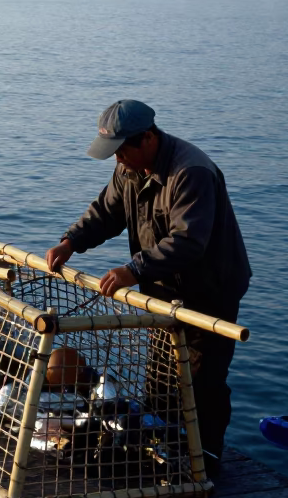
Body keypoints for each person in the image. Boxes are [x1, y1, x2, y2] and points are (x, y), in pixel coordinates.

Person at [44, 100, 251, 478]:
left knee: (202, 380)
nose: (118, 160)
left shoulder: (191, 172)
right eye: (114, 152)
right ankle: (164, 448)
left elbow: (189, 242)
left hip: (209, 293)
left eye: (122, 150)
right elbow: (106, 212)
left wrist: (132, 270)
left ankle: (203, 463)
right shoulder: (129, 168)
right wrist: (69, 242)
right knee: (159, 375)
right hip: (163, 293)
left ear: (149, 138)